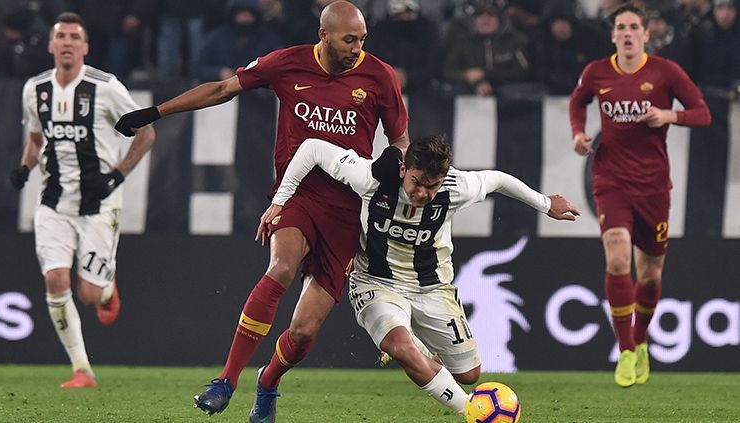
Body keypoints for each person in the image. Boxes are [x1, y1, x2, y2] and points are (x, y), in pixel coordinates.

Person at [115, 1, 408, 420]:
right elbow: (221, 90)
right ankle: (226, 381)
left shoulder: (378, 75)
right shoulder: (287, 64)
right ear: (323, 35)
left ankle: (267, 383)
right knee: (281, 268)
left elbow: (400, 142)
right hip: (296, 196)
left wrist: (389, 167)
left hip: (347, 209)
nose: (357, 48)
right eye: (349, 40)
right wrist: (155, 113)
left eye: (362, 39)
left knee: (304, 333)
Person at [259, 135, 579, 416]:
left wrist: (545, 203)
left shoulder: (456, 188)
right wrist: (279, 201)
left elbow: (496, 179)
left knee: (469, 374)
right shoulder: (371, 178)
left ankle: (419, 350)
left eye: (432, 186)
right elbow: (313, 149)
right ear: (403, 170)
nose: (423, 193)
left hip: (433, 288)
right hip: (375, 282)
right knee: (401, 346)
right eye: (416, 182)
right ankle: (469, 410)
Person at [8, 12, 156, 388]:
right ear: (51, 45)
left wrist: (119, 174)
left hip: (99, 203)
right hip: (53, 202)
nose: (68, 42)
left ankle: (106, 287)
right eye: (62, 36)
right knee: (56, 279)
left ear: (85, 47)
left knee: (88, 293)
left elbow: (146, 133)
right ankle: (82, 370)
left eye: (75, 36)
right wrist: (24, 169)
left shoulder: (105, 87)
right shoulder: (35, 89)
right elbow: (36, 138)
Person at [568, 3, 711, 388]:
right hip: (610, 179)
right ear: (613, 34)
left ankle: (642, 340)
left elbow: (702, 112)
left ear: (647, 34)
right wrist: (579, 134)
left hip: (653, 186)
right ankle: (626, 349)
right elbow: (577, 101)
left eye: (634, 27)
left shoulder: (665, 72)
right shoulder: (597, 72)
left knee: (650, 273)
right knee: (617, 258)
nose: (627, 33)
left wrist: (670, 116)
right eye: (621, 27)